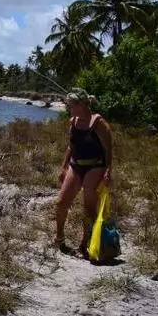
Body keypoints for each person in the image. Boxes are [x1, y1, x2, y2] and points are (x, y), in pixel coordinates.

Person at [55, 88, 114, 256]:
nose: (69, 109)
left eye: (71, 106)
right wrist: (64, 166)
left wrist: (108, 171)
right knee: (61, 203)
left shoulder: (99, 123)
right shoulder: (73, 121)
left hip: (95, 166)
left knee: (89, 208)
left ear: (81, 105)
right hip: (75, 165)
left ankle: (86, 244)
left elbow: (108, 149)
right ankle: (59, 238)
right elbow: (71, 146)